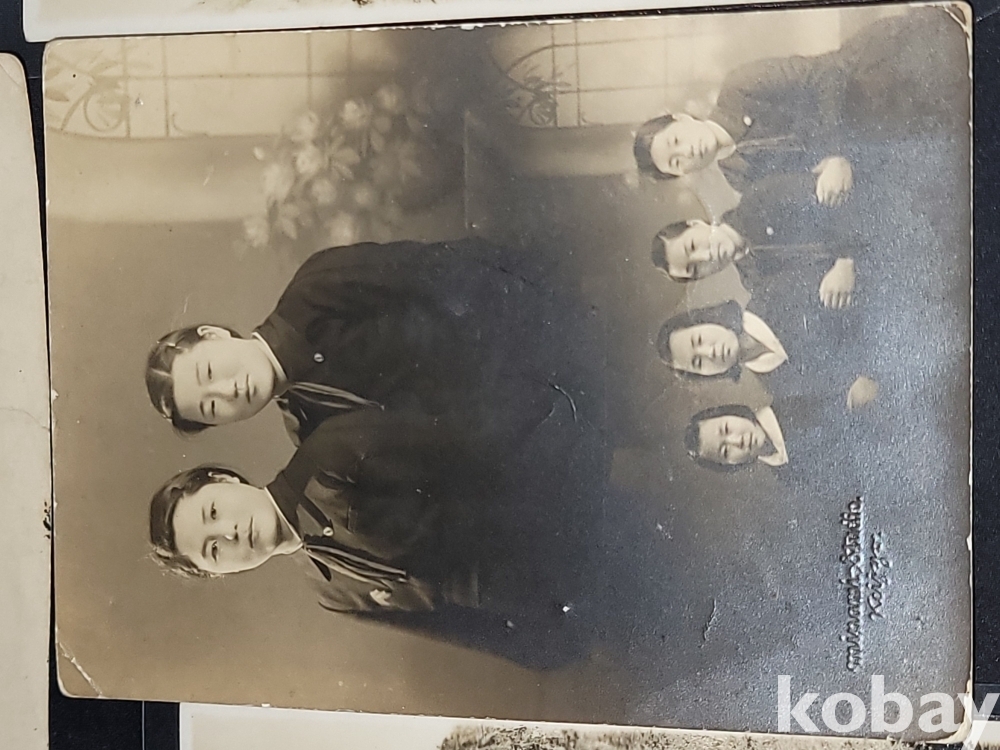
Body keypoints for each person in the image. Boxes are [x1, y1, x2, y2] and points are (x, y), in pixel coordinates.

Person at [149, 403, 609, 668]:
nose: (230, 532)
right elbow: (452, 626)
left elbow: (475, 455)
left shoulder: (330, 455)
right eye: (214, 550)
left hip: (578, 529)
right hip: (561, 616)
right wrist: (547, 651)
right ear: (222, 573)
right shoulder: (329, 592)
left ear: (225, 480)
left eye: (213, 511)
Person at [146, 238, 604, 449]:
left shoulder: (314, 290)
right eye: (211, 408)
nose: (228, 390)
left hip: (550, 330)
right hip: (546, 423)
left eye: (209, 372)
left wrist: (564, 338)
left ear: (214, 335)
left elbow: (446, 273)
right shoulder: (310, 433)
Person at [633, 7, 968, 195]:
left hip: (885, 73)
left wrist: (835, 152)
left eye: (675, 141)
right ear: (683, 174)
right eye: (676, 162)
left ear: (682, 119)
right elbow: (811, 189)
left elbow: (826, 72)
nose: (687, 152)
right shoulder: (739, 176)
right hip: (888, 146)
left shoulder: (739, 87)